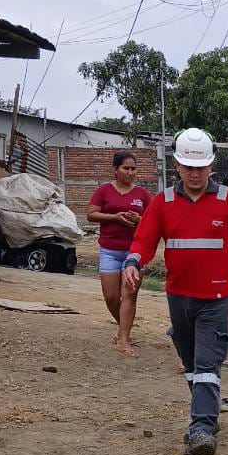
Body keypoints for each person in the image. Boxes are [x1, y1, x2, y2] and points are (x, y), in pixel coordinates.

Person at [122, 128, 228, 455]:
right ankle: (207, 413)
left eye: (200, 168)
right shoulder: (163, 202)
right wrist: (133, 261)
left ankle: (201, 427)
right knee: (192, 364)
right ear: (177, 166)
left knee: (207, 363)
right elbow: (144, 239)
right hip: (178, 296)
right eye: (188, 167)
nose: (195, 174)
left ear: (211, 166)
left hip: (216, 298)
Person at [86, 151, 151, 358]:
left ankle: (123, 339)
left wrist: (139, 220)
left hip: (135, 252)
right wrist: (115, 217)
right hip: (109, 251)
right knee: (112, 297)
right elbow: (91, 214)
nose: (130, 172)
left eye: (133, 169)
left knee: (129, 294)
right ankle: (123, 328)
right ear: (115, 169)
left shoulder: (142, 194)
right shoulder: (104, 190)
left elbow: (153, 222)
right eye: (126, 168)